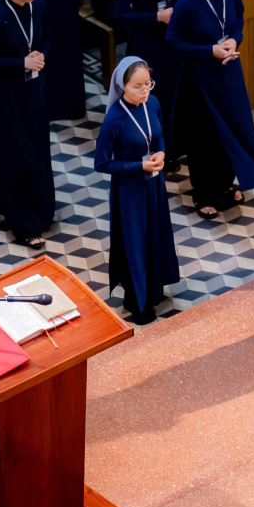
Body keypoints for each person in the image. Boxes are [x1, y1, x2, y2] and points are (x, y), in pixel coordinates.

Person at [166, 0, 254, 217]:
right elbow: (173, 41)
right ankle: (204, 194)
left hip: (228, 70)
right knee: (205, 136)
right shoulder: (189, 0)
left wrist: (235, 40)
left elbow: (238, 21)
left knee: (231, 128)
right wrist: (209, 50)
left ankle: (225, 184)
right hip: (199, 78)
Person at [94, 56, 179, 323]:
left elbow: (159, 137)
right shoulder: (114, 119)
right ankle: (137, 300)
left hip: (153, 184)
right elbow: (101, 163)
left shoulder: (152, 103)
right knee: (135, 242)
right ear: (123, 86)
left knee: (155, 234)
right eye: (137, 86)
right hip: (130, 191)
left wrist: (161, 152)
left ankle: (154, 289)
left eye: (148, 84)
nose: (144, 91)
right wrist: (138, 166)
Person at [0, 0, 54, 245]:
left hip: (34, 91)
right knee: (16, 153)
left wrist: (41, 55)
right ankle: (22, 222)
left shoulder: (40, 7)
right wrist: (21, 63)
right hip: (7, 96)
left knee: (37, 150)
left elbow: (48, 37)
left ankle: (42, 211)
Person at [114, 0, 184, 151]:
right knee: (154, 95)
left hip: (172, 38)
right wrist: (155, 16)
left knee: (173, 92)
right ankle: (153, 147)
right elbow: (121, 14)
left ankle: (173, 147)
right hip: (147, 41)